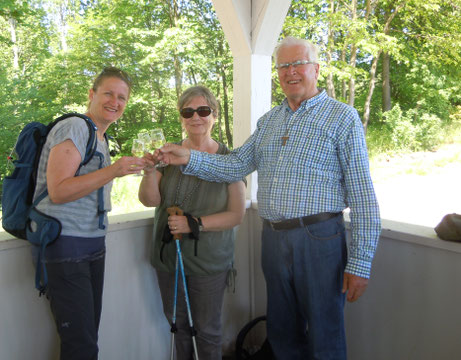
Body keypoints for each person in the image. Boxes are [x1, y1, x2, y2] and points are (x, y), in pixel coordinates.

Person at [157, 37, 381, 360]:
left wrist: (360, 262)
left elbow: (362, 194)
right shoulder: (269, 121)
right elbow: (235, 164)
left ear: (316, 69)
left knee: (324, 333)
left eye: (298, 64)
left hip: (319, 239)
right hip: (273, 239)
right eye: (283, 66)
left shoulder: (342, 118)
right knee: (282, 332)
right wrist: (187, 158)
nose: (291, 72)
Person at [32, 67, 147, 360]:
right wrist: (114, 170)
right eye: (109, 93)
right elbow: (58, 190)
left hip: (91, 245)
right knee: (81, 345)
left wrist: (122, 170)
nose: (115, 102)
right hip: (67, 245)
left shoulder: (99, 137)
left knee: (85, 338)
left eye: (122, 97)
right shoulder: (75, 127)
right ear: (92, 94)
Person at [138, 86, 246, 360]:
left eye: (203, 110)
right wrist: (150, 172)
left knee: (207, 331)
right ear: (181, 117)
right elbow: (150, 201)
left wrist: (194, 224)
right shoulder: (167, 156)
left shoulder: (229, 160)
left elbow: (236, 214)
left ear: (215, 115)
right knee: (178, 327)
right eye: (188, 111)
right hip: (169, 260)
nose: (195, 117)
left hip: (208, 262)